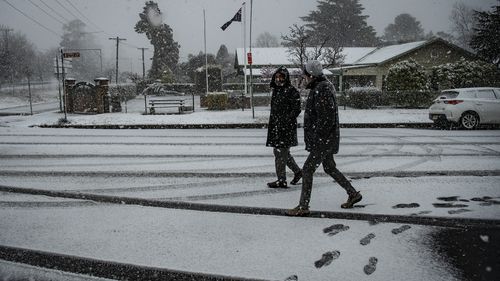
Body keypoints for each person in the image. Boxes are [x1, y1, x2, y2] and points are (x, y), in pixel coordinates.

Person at [287, 60, 362, 216]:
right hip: (325, 138)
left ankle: (303, 207)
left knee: (307, 170)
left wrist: (318, 139)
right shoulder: (322, 87)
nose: (304, 77)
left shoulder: (322, 89)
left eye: (305, 74)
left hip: (323, 140)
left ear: (311, 75)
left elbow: (326, 119)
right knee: (329, 167)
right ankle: (353, 194)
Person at [266, 66, 303, 188]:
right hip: (276, 127)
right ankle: (298, 172)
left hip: (286, 128)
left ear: (286, 78)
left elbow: (296, 109)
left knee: (280, 153)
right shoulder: (276, 91)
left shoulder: (292, 91)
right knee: (282, 153)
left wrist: (285, 120)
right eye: (276, 77)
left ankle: (281, 180)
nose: (278, 79)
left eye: (281, 77)